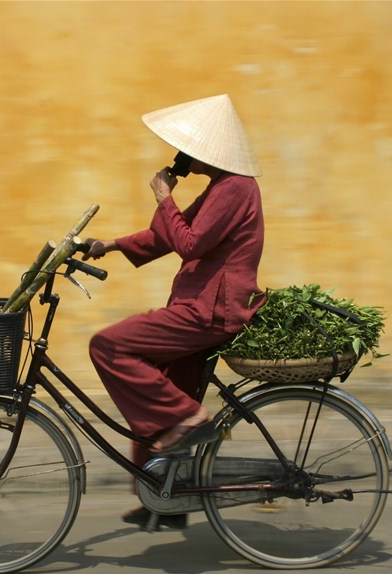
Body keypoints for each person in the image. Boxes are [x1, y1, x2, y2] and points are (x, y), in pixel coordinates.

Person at [83, 94, 266, 529]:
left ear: (208, 152)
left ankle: (188, 420)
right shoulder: (220, 188)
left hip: (210, 312)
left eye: (189, 149)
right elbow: (168, 235)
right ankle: (165, 501)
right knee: (157, 391)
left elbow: (188, 243)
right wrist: (108, 246)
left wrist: (164, 195)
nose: (181, 155)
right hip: (200, 308)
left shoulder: (236, 187)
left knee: (109, 347)